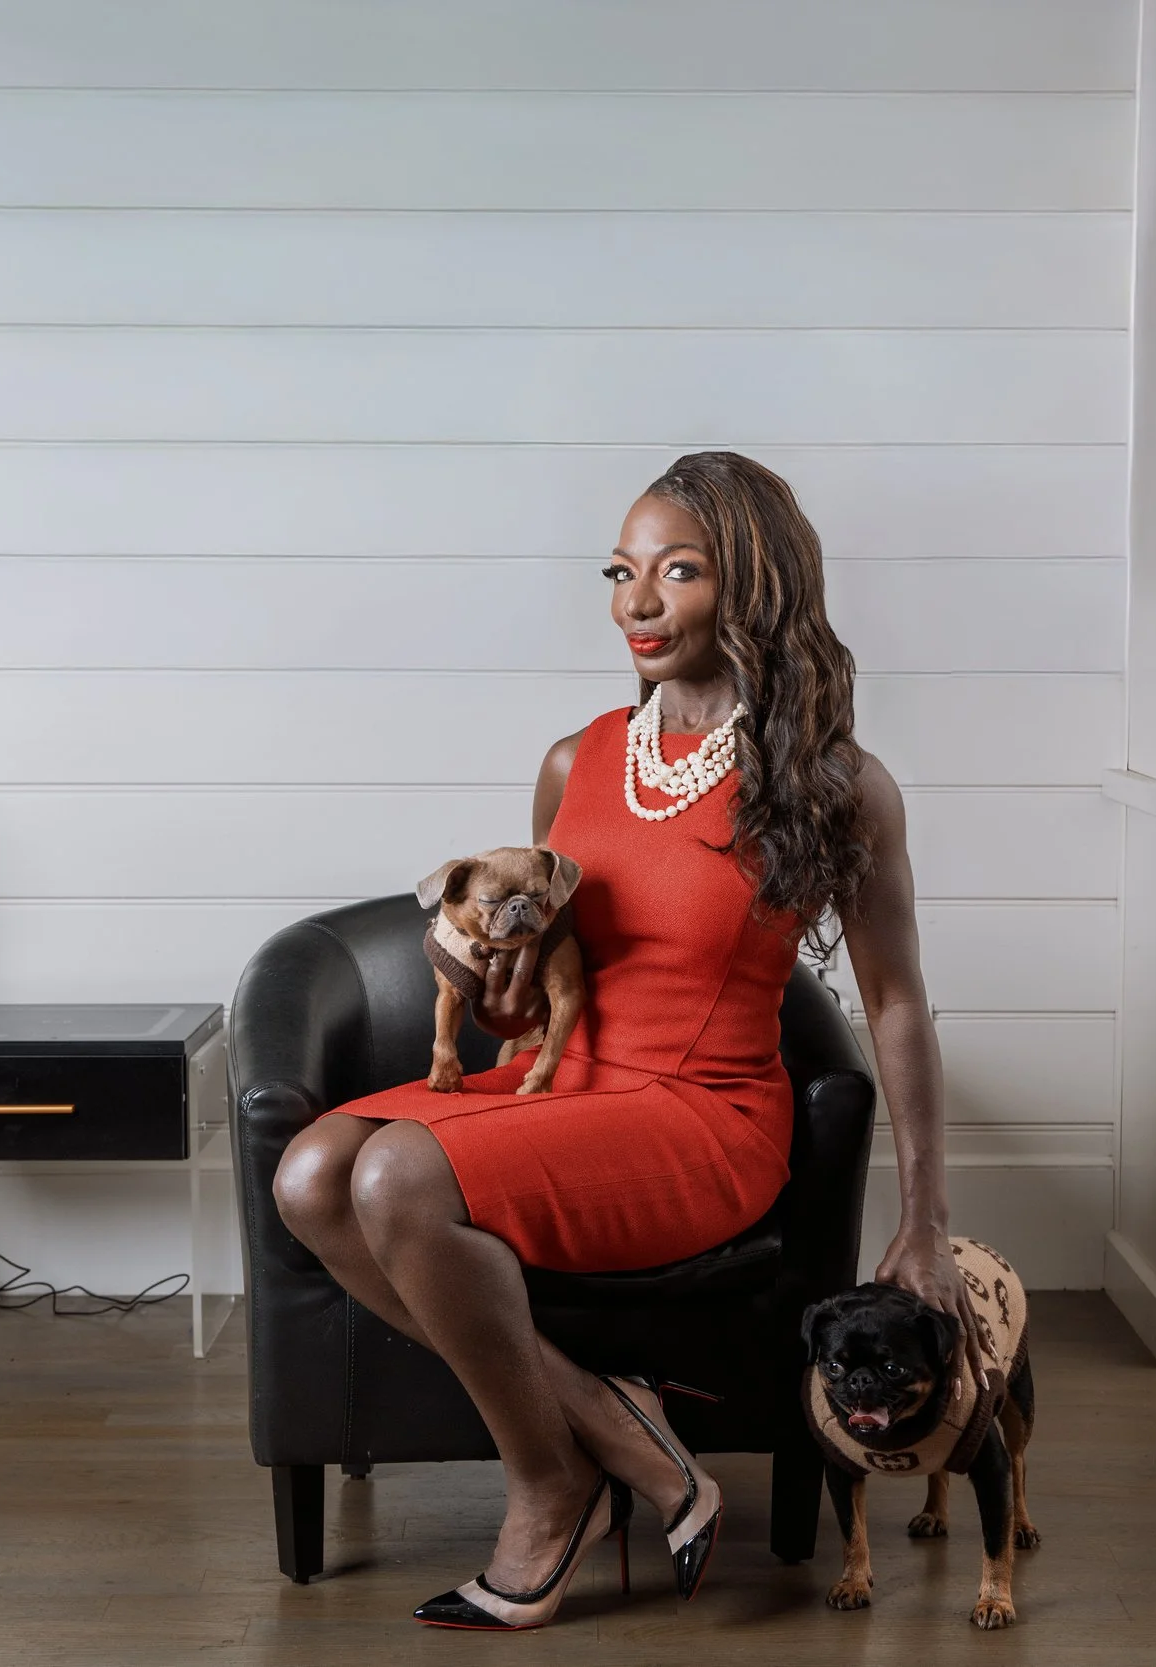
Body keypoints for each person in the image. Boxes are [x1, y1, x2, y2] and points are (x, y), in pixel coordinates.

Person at [271, 452, 967, 1630]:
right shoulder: (574, 758)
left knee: (390, 1171)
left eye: (677, 571)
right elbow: (544, 978)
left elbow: (895, 1001)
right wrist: (496, 997)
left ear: (750, 587)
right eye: (620, 571)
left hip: (704, 1116)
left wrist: (925, 1218)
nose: (635, 601)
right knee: (310, 1174)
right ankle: (617, 1427)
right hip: (563, 1088)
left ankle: (549, 1485)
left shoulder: (836, 781)